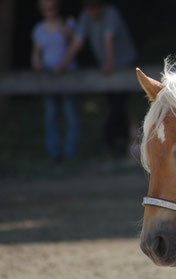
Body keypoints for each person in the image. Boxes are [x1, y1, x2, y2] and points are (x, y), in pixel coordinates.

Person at [56, 0, 137, 157]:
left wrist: (109, 63)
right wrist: (63, 65)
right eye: (89, 7)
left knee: (122, 104)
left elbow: (109, 38)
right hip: (108, 69)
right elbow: (78, 41)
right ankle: (117, 143)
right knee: (114, 104)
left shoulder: (111, 13)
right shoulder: (85, 16)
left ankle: (120, 141)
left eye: (95, 7)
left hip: (124, 65)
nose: (92, 11)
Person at [31, 0, 79, 163]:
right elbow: (36, 52)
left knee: (70, 113)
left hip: (67, 75)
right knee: (51, 115)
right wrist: (36, 63)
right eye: (46, 8)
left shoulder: (67, 23)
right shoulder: (39, 29)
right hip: (48, 76)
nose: (49, 11)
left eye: (52, 7)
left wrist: (63, 64)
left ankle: (71, 153)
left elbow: (77, 44)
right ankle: (55, 154)